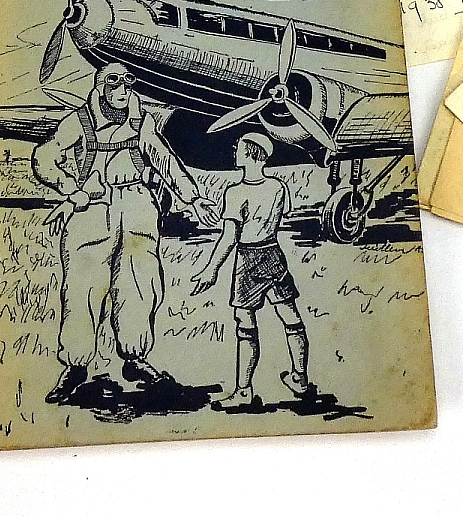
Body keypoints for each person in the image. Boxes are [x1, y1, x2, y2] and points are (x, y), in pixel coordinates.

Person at [33, 62, 221, 404]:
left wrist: (193, 198)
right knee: (82, 288)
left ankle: (135, 358)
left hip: (137, 206)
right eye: (114, 83)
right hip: (92, 210)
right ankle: (75, 365)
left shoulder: (141, 121)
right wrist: (70, 189)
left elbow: (164, 159)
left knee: (140, 285)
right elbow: (44, 157)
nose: (122, 90)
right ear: (101, 87)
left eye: (127, 83)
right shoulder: (79, 121)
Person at [189, 132, 311, 410]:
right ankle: (300, 377)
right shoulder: (278, 187)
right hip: (274, 254)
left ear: (251, 154)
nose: (234, 152)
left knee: (245, 323)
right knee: (290, 317)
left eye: (239, 149)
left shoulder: (235, 192)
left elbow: (229, 236)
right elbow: (283, 216)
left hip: (249, 259)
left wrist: (211, 269)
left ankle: (243, 391)